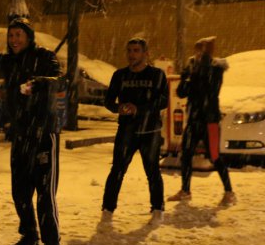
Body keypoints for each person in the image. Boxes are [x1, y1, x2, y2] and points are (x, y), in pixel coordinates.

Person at [0, 8, 65, 245]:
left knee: (45, 195)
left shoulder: (44, 56)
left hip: (44, 133)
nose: (14, 39)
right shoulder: (10, 62)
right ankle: (29, 237)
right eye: (11, 35)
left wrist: (38, 82)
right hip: (21, 134)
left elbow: (59, 79)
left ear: (29, 36)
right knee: (20, 192)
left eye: (19, 35)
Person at [100, 38, 168, 227]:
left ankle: (157, 209)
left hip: (150, 130)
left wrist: (140, 108)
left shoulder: (157, 75)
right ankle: (107, 210)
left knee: (152, 170)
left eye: (136, 50)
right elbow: (108, 101)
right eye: (129, 50)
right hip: (127, 130)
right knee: (117, 170)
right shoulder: (119, 75)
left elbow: (163, 101)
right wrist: (118, 108)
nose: (132, 54)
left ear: (146, 53)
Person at [168, 36, 235, 206]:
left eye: (202, 51)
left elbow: (210, 90)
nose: (198, 55)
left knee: (214, 156)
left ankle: (229, 192)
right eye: (197, 51)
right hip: (194, 120)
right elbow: (182, 93)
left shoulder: (215, 70)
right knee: (186, 154)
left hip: (210, 121)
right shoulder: (193, 70)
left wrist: (194, 74)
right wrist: (184, 78)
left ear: (208, 53)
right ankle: (185, 191)